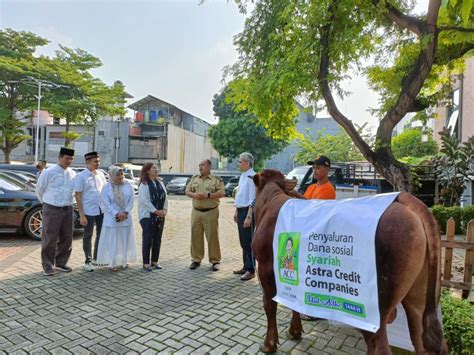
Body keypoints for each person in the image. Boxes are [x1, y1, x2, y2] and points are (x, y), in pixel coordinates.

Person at [35, 147, 76, 276]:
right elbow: (40, 189)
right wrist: (47, 204)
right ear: (59, 158)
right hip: (52, 208)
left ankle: (61, 263)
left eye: (71, 159)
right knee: (49, 238)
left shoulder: (72, 173)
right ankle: (47, 265)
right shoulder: (49, 172)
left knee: (67, 237)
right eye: (66, 158)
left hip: (68, 208)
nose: (69, 161)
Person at [185, 159, 225, 271]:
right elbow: (187, 191)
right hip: (196, 212)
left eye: (202, 165)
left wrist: (208, 195)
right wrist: (194, 195)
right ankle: (196, 260)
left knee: (212, 236)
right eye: (199, 165)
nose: (200, 167)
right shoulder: (194, 178)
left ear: (209, 166)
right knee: (195, 236)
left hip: (211, 211)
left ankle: (215, 261)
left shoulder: (217, 179)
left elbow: (222, 193)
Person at [96, 166, 136, 271]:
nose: (120, 177)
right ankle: (113, 263)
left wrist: (125, 212)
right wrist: (117, 214)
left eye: (121, 174)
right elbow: (106, 203)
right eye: (118, 175)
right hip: (112, 219)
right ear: (112, 175)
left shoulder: (128, 185)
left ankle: (123, 261)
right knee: (113, 241)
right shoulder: (106, 187)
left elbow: (132, 200)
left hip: (126, 217)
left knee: (124, 240)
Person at [74, 151, 107, 272]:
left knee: (101, 233)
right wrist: (81, 215)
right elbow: (78, 196)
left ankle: (97, 257)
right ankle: (87, 261)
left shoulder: (101, 175)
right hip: (88, 211)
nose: (98, 163)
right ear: (88, 162)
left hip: (101, 210)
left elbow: (104, 192)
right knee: (88, 235)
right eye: (95, 162)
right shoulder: (81, 176)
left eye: (99, 161)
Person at [138, 163, 168, 272]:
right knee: (148, 239)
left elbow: (165, 197)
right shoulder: (144, 185)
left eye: (156, 168)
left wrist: (164, 210)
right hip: (147, 216)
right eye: (153, 168)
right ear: (147, 171)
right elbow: (144, 201)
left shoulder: (160, 183)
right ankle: (146, 263)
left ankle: (155, 261)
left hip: (159, 216)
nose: (156, 169)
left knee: (157, 239)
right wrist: (155, 211)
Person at [233, 152, 257, 281]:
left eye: (240, 161)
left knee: (248, 241)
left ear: (247, 163)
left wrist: (249, 216)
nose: (239, 163)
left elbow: (253, 198)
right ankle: (245, 266)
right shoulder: (243, 175)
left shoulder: (252, 177)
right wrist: (236, 211)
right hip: (241, 210)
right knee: (243, 241)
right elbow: (240, 196)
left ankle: (251, 269)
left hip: (248, 211)